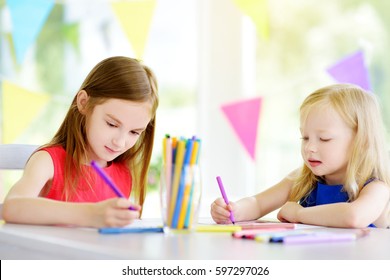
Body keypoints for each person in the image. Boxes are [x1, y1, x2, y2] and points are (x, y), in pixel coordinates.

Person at [2, 56, 159, 228]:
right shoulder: (48, 161)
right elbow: (11, 207)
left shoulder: (123, 174)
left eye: (134, 132)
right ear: (84, 103)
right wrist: (91, 214)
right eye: (112, 124)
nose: (120, 142)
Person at [211, 83, 390, 228]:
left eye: (324, 139)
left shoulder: (376, 186)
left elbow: (354, 217)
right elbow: (258, 203)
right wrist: (233, 210)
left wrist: (299, 214)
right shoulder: (303, 179)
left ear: (361, 141)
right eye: (304, 137)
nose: (310, 147)